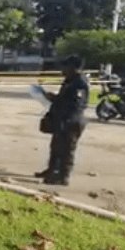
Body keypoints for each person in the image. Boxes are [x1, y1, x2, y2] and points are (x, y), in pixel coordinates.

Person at [35, 55, 89, 186]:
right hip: (62, 119)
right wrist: (53, 98)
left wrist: (56, 100)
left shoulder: (80, 83)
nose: (62, 70)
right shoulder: (69, 81)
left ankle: (63, 177)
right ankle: (51, 170)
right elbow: (64, 98)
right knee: (55, 147)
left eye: (65, 67)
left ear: (74, 68)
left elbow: (76, 104)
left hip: (71, 121)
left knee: (67, 150)